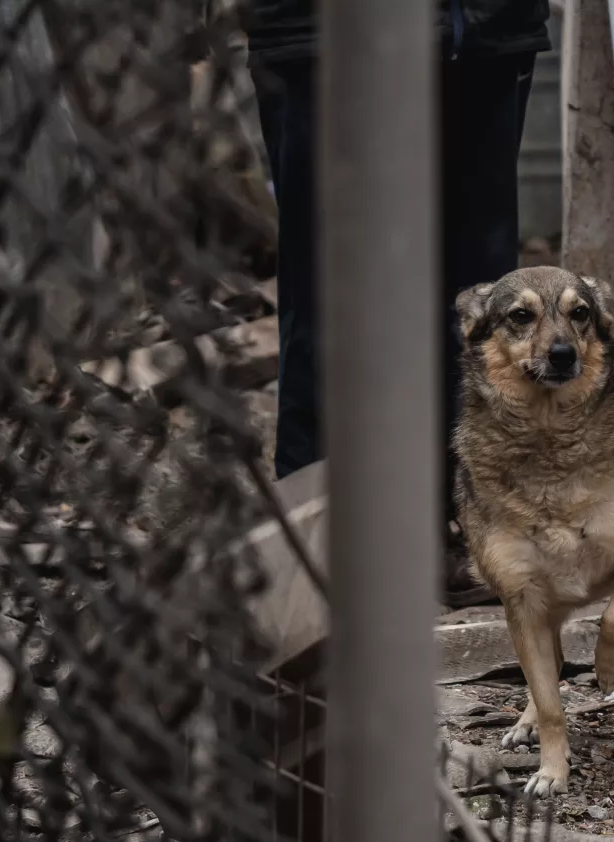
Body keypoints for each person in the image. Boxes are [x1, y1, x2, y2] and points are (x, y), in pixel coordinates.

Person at [246, 0, 550, 605]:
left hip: (480, 30)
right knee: (331, 287)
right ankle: (323, 540)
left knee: (475, 301)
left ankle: (463, 527)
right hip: (321, 35)